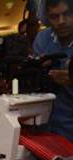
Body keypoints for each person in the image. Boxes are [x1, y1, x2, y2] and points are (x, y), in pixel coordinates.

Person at [33, 0, 73, 141]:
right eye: (54, 17)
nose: (61, 21)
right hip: (45, 125)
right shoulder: (42, 38)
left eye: (67, 14)